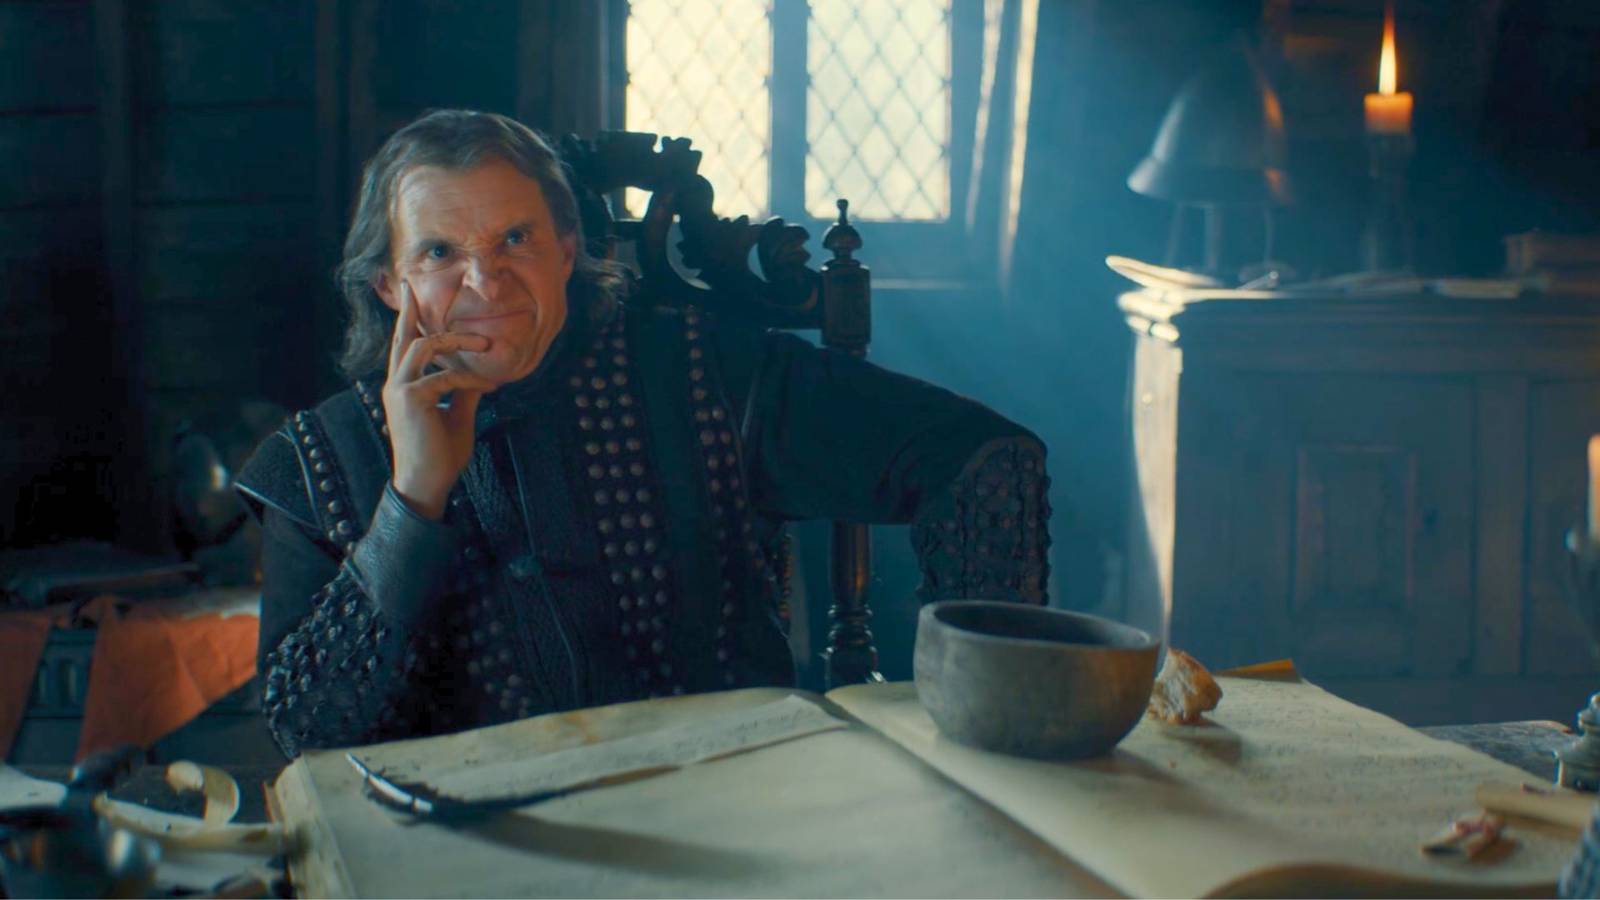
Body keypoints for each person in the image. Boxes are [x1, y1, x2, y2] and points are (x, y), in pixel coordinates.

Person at [234, 109, 1051, 758]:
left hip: (726, 819)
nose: (485, 281)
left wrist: (978, 722)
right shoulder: (318, 463)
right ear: (389, 285)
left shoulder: (706, 375)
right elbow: (306, 734)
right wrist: (413, 499)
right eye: (441, 252)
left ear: (567, 250)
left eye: (516, 239)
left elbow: (985, 461)